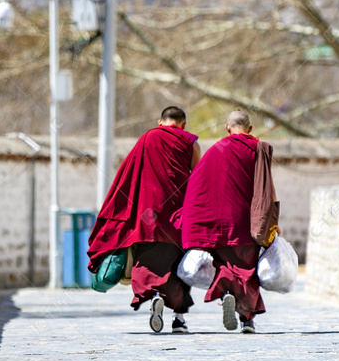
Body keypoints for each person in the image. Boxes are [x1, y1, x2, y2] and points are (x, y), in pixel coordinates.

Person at [87, 106, 201, 334]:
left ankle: (155, 296)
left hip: (146, 217)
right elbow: (198, 178)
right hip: (177, 217)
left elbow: (127, 176)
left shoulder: (148, 137)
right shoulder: (190, 142)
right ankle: (179, 320)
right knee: (178, 265)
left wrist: (117, 215)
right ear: (183, 125)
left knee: (146, 261)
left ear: (160, 122)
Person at [178, 110, 278, 334]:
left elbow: (197, 184)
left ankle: (228, 295)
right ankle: (247, 320)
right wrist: (273, 218)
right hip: (248, 220)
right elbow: (267, 186)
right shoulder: (259, 149)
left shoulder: (216, 149)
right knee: (247, 269)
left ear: (227, 128)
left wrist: (192, 217)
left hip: (218, 221)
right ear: (250, 129)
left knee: (224, 265)